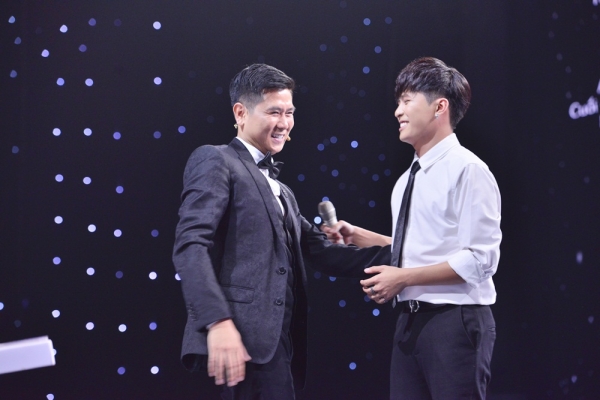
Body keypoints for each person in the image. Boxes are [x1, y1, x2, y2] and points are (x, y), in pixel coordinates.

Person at [172, 63, 391, 400]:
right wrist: (217, 322)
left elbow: (325, 253)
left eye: (289, 113)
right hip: (238, 339)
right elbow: (190, 245)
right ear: (240, 113)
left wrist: (409, 254)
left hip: (277, 345)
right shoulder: (216, 160)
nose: (284, 123)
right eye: (274, 112)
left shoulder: (282, 191)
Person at [322, 57, 501, 399]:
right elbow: (420, 246)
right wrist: (358, 236)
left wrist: (403, 278)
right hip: (409, 322)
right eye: (398, 102)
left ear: (439, 107)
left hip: (455, 321)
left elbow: (480, 260)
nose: (397, 111)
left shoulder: (468, 170)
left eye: (407, 100)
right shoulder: (406, 180)